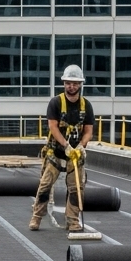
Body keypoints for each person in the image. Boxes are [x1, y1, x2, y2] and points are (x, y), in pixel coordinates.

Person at [30, 64, 94, 232]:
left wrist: (81, 146)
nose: (71, 86)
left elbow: (88, 131)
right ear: (64, 83)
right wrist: (65, 145)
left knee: (76, 188)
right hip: (56, 151)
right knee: (45, 184)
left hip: (75, 153)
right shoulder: (55, 103)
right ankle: (37, 216)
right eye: (68, 83)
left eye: (75, 83)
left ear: (80, 84)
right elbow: (53, 127)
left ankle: (72, 220)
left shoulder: (86, 106)